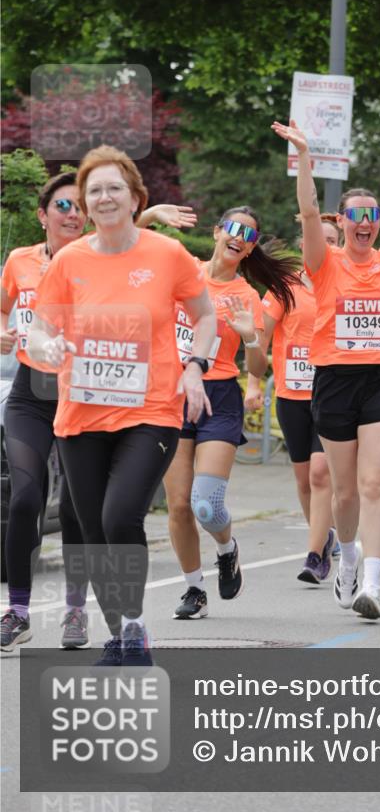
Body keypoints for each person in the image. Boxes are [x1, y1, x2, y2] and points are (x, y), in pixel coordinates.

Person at [27, 146, 217, 664]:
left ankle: (131, 629)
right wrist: (50, 348)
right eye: (94, 191)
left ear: (136, 198)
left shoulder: (166, 255)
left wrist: (196, 365)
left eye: (114, 188)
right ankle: (123, 631)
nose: (104, 197)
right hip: (80, 416)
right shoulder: (69, 261)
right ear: (84, 205)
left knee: (118, 518)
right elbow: (41, 333)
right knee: (91, 531)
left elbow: (204, 316)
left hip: (150, 411)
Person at [272, 110, 380, 620]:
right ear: (343, 222)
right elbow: (308, 213)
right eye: (357, 215)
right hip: (332, 380)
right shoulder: (323, 263)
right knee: (344, 492)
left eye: (373, 215)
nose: (367, 222)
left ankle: (372, 583)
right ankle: (346, 557)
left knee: (374, 484)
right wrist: (305, 156)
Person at [165, 206, 301, 619]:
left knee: (206, 504)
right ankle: (194, 590)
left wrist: (251, 340)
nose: (239, 236)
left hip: (219, 397)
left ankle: (226, 548)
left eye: (250, 235)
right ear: (217, 232)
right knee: (178, 506)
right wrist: (150, 214)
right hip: (172, 396)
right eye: (234, 228)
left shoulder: (246, 296)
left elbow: (258, 367)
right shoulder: (183, 270)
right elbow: (123, 254)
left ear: (249, 249)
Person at [247, 215, 340, 585]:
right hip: (291, 395)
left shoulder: (347, 285)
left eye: (334, 241)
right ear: (305, 244)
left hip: (334, 395)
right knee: (304, 480)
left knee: (320, 473)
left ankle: (315, 555)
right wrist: (254, 383)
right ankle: (325, 534)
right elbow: (262, 338)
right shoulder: (284, 287)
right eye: (321, 239)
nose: (327, 246)